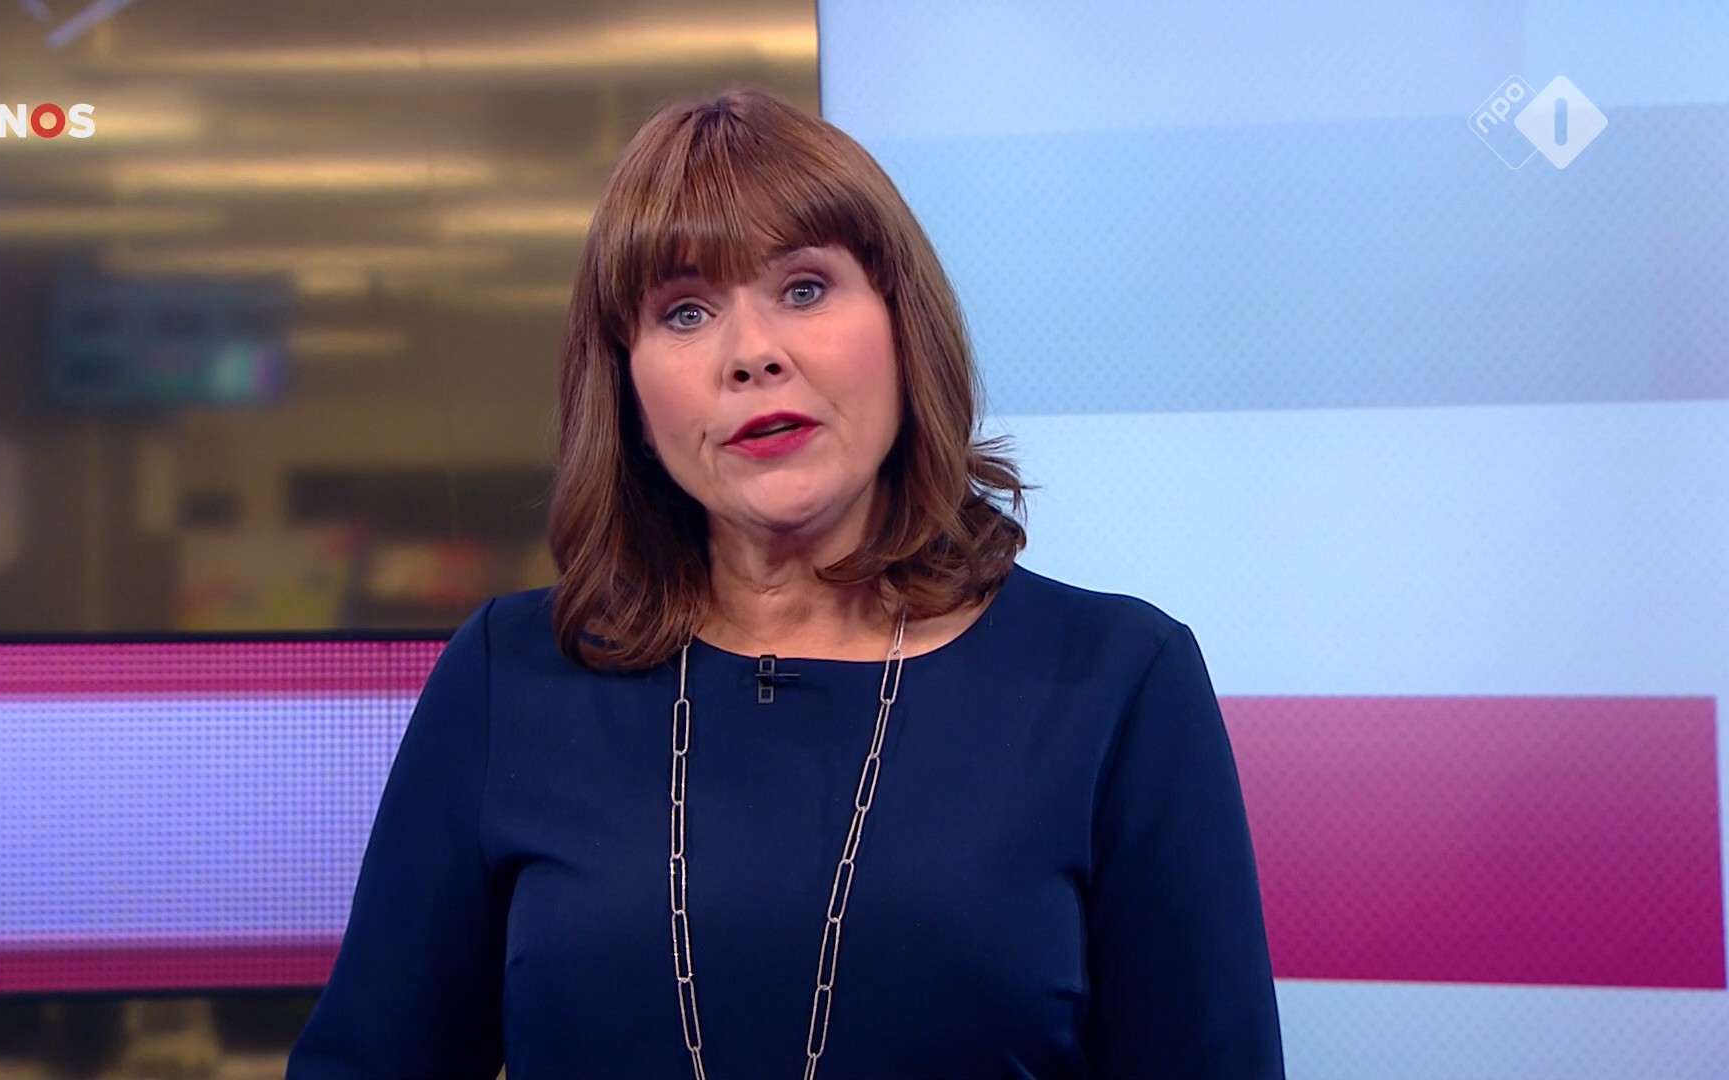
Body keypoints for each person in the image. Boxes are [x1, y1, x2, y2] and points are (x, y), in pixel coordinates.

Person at [286, 87, 1284, 1080]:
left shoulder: (1117, 681)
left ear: (903, 327)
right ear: (629, 393)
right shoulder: (508, 678)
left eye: (804, 289)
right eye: (685, 312)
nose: (753, 354)